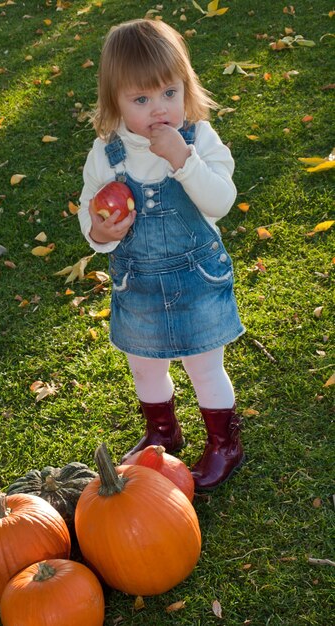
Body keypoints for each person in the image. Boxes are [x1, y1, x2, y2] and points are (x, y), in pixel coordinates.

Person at [77, 18, 245, 491]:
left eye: (169, 94)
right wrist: (100, 228)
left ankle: (224, 442)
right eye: (141, 100)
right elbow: (89, 211)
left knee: (204, 366)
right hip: (141, 286)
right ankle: (163, 432)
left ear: (185, 89)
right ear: (116, 104)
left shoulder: (198, 140)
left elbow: (220, 201)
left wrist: (183, 161)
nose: (159, 110)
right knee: (144, 364)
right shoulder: (106, 154)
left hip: (196, 282)